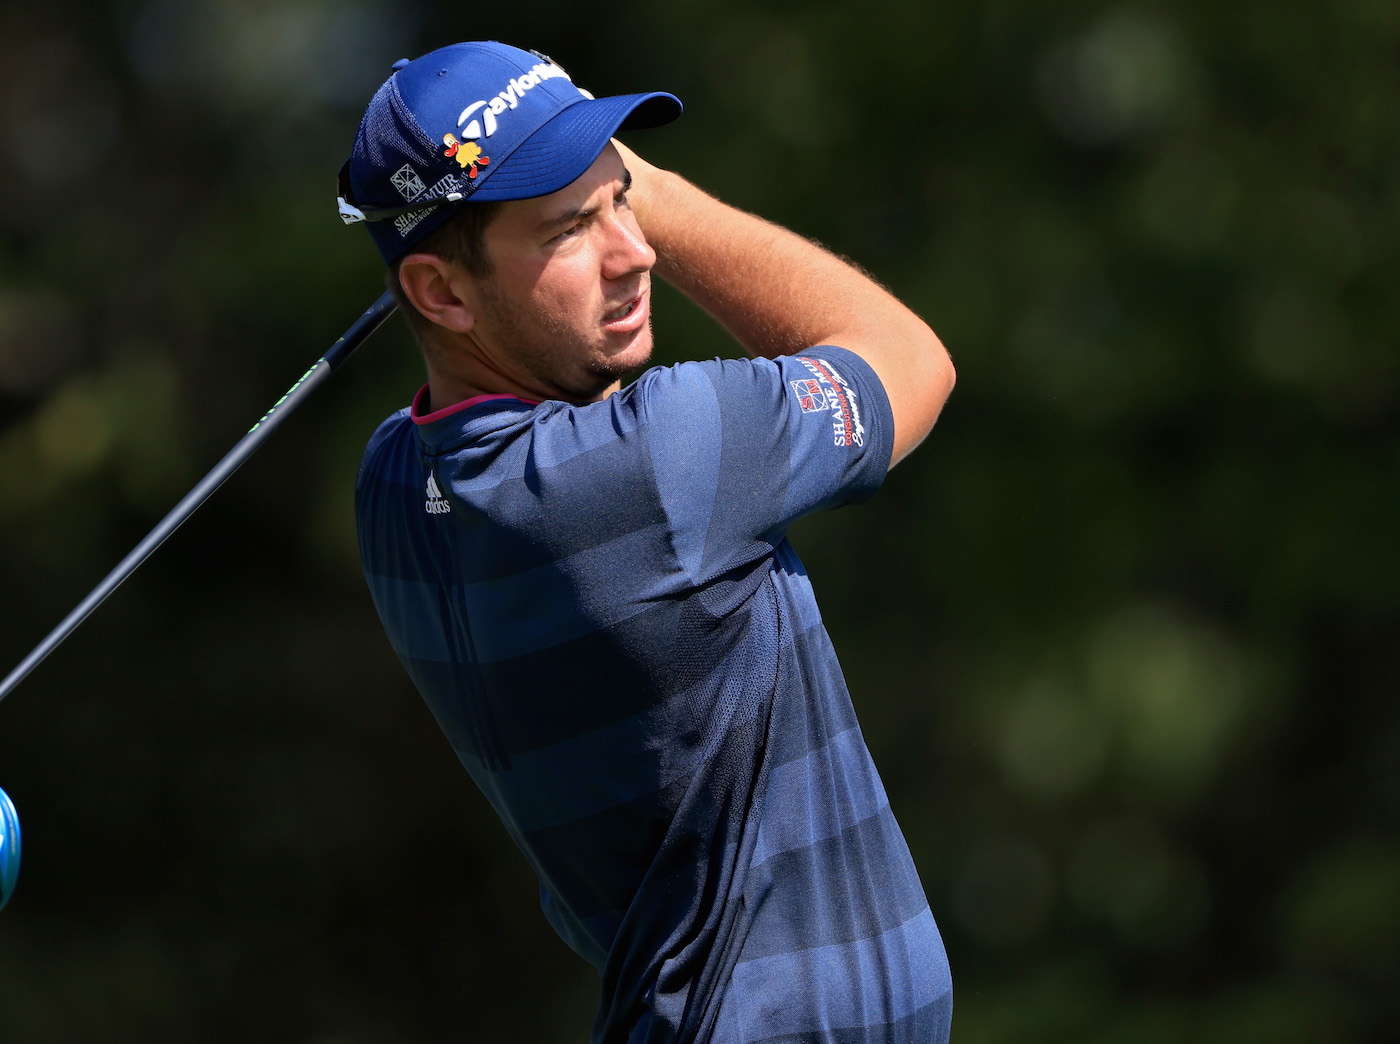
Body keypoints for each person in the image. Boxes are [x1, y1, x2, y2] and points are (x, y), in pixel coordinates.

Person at [338, 42, 956, 1043]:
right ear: (440, 293)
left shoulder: (393, 490)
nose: (636, 250)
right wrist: (657, 184)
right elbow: (906, 357)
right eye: (570, 227)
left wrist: (563, 182)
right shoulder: (655, 464)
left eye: (619, 199)